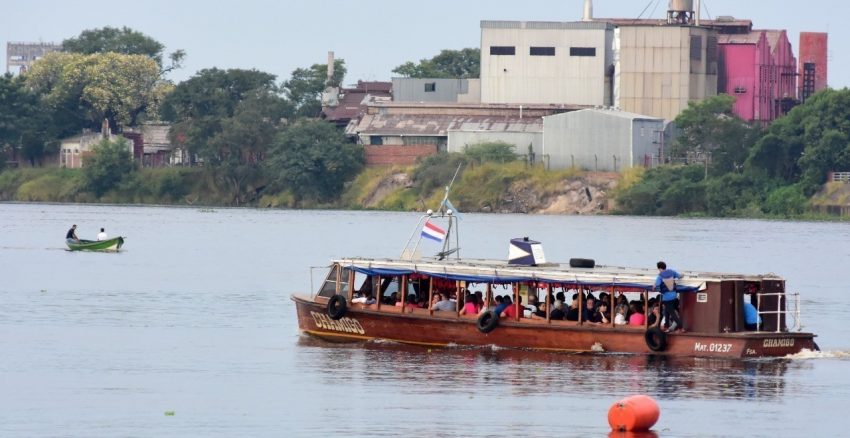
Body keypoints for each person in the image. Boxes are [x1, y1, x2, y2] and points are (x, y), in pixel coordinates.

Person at [655, 261, 683, 332]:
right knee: (666, 311)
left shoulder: (660, 276)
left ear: (659, 268)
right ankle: (666, 326)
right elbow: (679, 276)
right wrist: (683, 274)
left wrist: (654, 286)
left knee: (672, 313)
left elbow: (657, 285)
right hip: (674, 296)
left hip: (667, 298)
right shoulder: (672, 272)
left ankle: (681, 327)